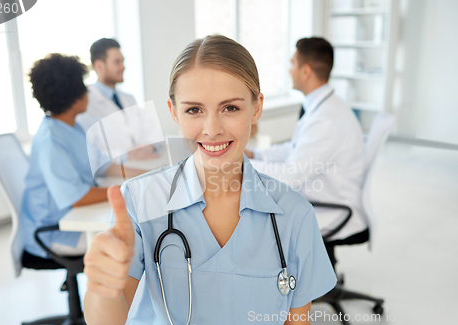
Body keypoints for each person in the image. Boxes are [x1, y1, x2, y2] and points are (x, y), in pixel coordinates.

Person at [83, 35, 337, 325]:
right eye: (194, 110)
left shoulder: (294, 214)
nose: (212, 129)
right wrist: (103, 287)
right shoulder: (140, 200)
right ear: (174, 112)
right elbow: (105, 321)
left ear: (256, 108)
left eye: (230, 108)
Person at [20, 54, 145, 258]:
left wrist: (147, 175)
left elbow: (104, 165)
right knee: (132, 239)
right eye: (82, 87)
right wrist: (128, 190)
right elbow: (78, 198)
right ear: (71, 95)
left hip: (76, 217)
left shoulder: (72, 126)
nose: (87, 92)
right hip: (58, 231)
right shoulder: (51, 139)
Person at [245, 37, 366, 247]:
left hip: (330, 208)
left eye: (293, 64)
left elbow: (289, 177)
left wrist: (238, 164)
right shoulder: (325, 107)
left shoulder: (326, 119)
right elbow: (294, 148)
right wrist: (256, 155)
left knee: (252, 217)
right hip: (322, 195)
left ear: (306, 71)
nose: (289, 70)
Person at [76, 38, 159, 160]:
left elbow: (153, 130)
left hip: (139, 167)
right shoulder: (85, 103)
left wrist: (150, 145)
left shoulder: (129, 99)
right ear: (99, 66)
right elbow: (89, 151)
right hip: (110, 175)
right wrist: (125, 155)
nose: (123, 67)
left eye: (123, 61)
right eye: (117, 62)